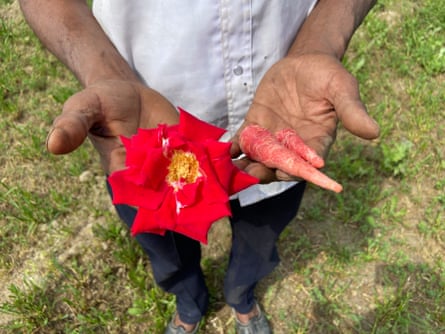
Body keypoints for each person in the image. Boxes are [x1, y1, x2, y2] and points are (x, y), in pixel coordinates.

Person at [18, 1, 380, 333]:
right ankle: (189, 304)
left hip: (282, 99)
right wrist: (102, 72)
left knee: (261, 238)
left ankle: (242, 298)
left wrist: (317, 44)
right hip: (142, 118)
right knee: (166, 252)